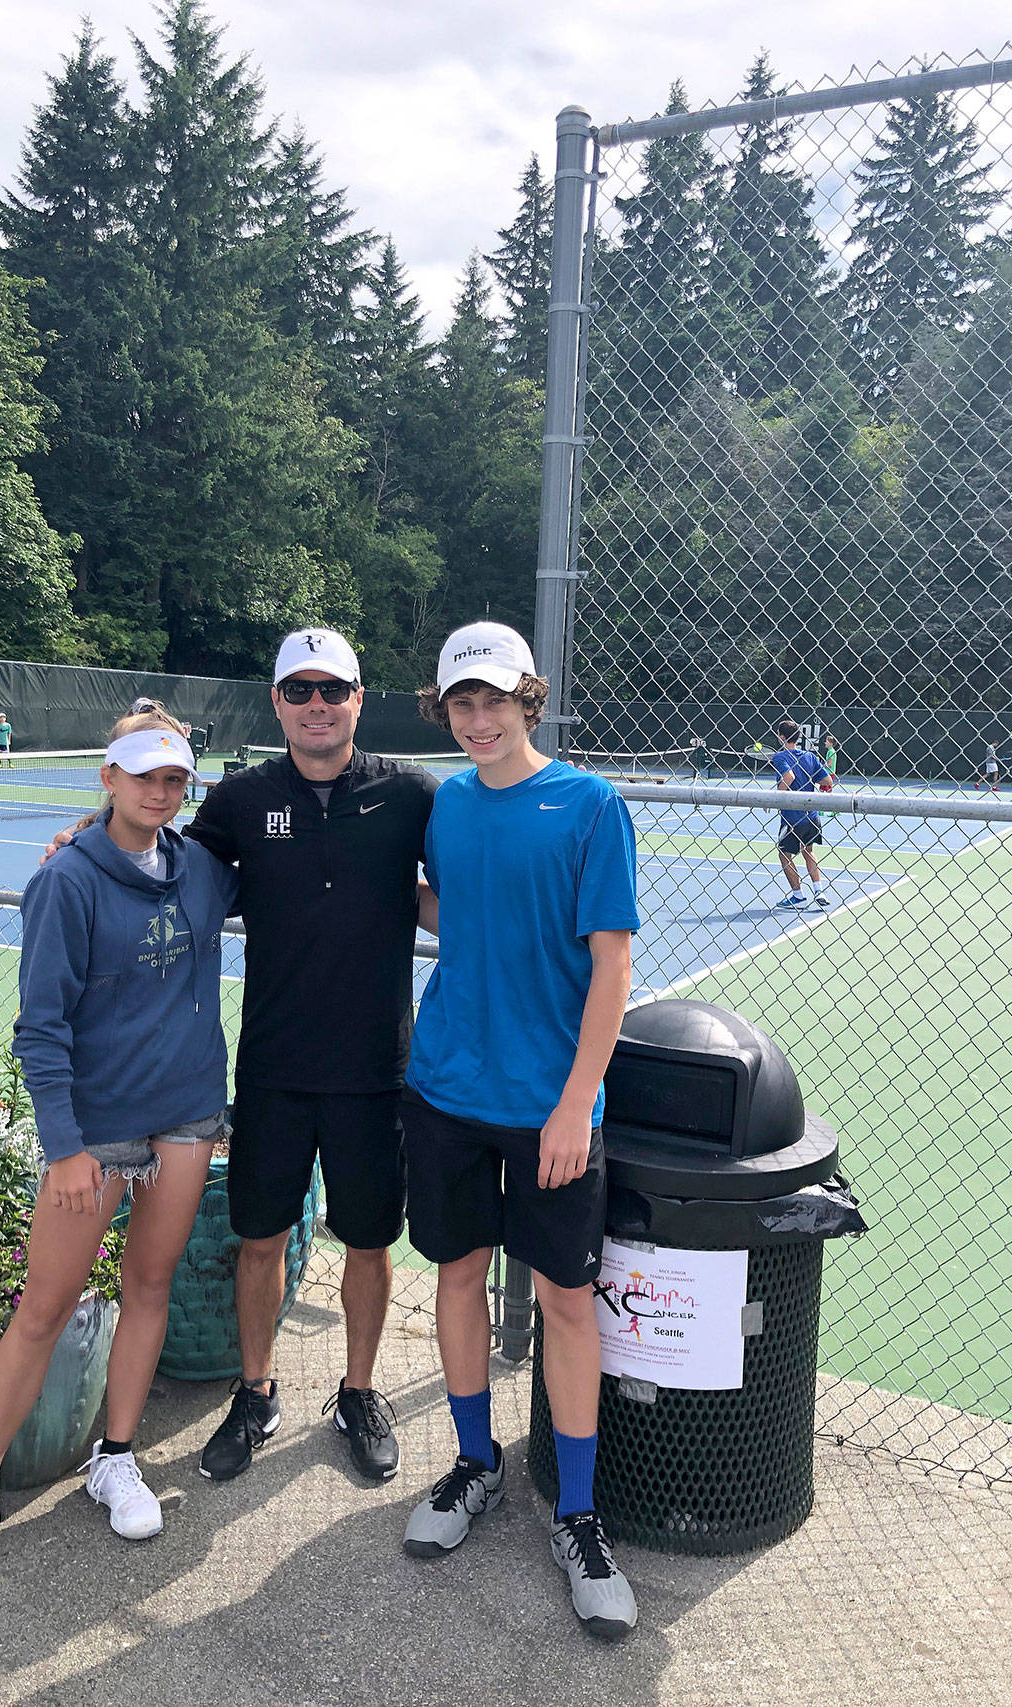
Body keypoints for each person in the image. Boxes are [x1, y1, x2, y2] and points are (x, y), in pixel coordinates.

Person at [46, 630, 438, 1485]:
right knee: (259, 1240)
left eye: (332, 687)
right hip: (272, 1066)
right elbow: (159, 847)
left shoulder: (410, 793)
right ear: (277, 704)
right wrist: (85, 831)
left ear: (359, 698)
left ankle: (359, 1391)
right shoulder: (240, 798)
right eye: (298, 690)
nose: (316, 704)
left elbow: (451, 895)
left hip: (378, 1068)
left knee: (369, 1243)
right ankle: (255, 1392)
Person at [0, 712, 237, 1593]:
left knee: (148, 1285)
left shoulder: (206, 869)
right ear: (107, 775)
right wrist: (65, 1147)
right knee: (45, 1305)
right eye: (143, 775)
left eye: (175, 779)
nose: (159, 792)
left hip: (186, 1115)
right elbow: (40, 1027)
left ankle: (118, 1456)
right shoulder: (64, 880)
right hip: (94, 1133)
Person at [399, 620, 640, 1642]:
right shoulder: (445, 805)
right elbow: (447, 916)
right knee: (455, 1275)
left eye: (494, 699)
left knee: (564, 1301)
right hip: (446, 1089)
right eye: (462, 702)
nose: (479, 718)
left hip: (548, 1113)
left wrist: (573, 1102)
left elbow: (611, 967)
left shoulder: (588, 805)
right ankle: (471, 1464)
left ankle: (577, 1518)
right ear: (445, 710)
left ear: (527, 700)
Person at [770, 719, 830, 909]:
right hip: (812, 816)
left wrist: (774, 798)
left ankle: (798, 895)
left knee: (784, 854)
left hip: (792, 818)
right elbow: (827, 780)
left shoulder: (781, 757)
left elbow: (789, 777)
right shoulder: (810, 757)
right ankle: (819, 890)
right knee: (808, 851)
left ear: (781, 737)